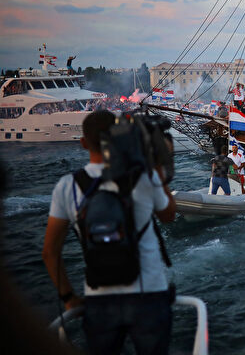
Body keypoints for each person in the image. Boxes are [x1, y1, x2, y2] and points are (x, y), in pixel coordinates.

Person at [42, 110, 176, 355]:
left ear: (84, 143)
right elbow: (168, 215)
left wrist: (69, 297)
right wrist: (159, 169)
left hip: (100, 299)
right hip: (149, 295)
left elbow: (50, 252)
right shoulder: (142, 176)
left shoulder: (67, 187)